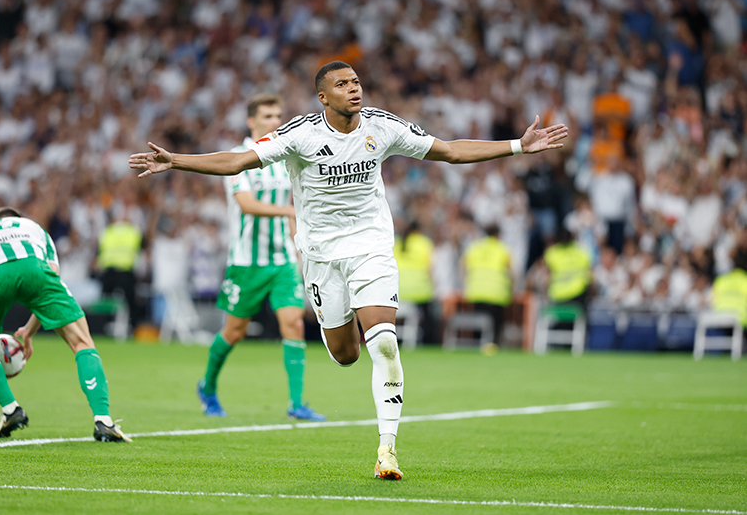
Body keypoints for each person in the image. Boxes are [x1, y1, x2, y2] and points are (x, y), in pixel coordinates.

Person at [130, 61, 567, 480]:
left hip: (371, 248)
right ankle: (341, 336)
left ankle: (387, 449)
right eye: (342, 84)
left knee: (385, 344)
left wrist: (517, 145)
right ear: (323, 97)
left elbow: (450, 151)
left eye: (355, 81)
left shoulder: (382, 125)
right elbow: (236, 162)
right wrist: (176, 160)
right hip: (322, 257)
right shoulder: (300, 134)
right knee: (345, 354)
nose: (353, 88)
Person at [0, 207, 131, 442]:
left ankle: (10, 409)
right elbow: (50, 285)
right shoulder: (34, 229)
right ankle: (103, 421)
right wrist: (30, 331)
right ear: (17, 221)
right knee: (82, 342)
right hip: (33, 268)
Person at [197, 93, 325, 421]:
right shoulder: (239, 158)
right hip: (246, 262)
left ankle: (297, 403)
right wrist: (289, 212)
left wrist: (300, 245)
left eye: (278, 116)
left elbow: (295, 203)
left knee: (294, 323)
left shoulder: (284, 157)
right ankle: (207, 386)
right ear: (251, 121)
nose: (275, 122)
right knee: (234, 331)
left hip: (282, 260)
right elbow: (247, 204)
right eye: (267, 116)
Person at [462, 225, 513, 345]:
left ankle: (477, 345)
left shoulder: (475, 247)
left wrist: (468, 284)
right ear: (498, 234)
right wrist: (511, 289)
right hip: (497, 292)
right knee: (495, 324)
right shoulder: (502, 248)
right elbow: (511, 273)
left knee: (479, 323)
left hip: (477, 291)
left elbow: (463, 268)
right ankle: (493, 345)